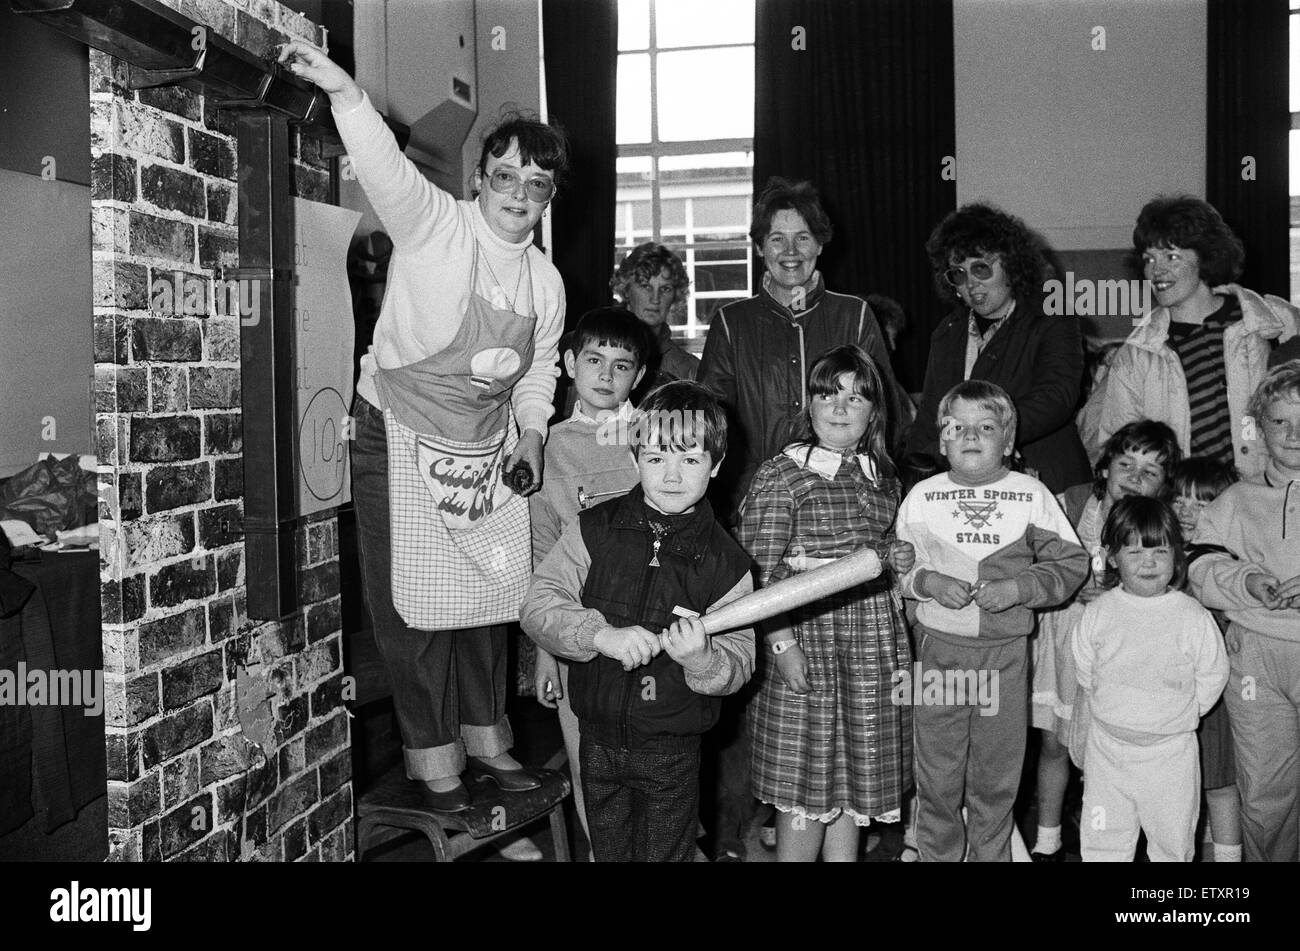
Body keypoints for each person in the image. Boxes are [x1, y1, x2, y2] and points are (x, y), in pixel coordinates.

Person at [280, 43, 567, 810]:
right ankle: (432, 759)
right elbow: (383, 162)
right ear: (480, 179)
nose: (518, 193)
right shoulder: (435, 224)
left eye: (536, 184)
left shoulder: (546, 278)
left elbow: (539, 372)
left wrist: (533, 432)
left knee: (490, 600)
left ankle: (489, 742)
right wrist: (343, 88)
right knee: (412, 606)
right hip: (397, 435)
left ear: (547, 198)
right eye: (504, 175)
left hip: (486, 448)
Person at [698, 176, 910, 861]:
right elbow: (713, 424)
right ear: (759, 246)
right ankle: (743, 835)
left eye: (803, 237)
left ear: (822, 244)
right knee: (770, 720)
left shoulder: (853, 315)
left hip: (852, 558)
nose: (790, 250)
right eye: (775, 237)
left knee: (848, 759)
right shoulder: (732, 321)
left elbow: (885, 410)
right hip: (768, 536)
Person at [520, 382, 756, 861]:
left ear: (716, 463)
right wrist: (598, 634)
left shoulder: (726, 563)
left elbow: (741, 662)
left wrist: (704, 659)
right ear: (634, 459)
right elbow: (538, 605)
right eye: (655, 458)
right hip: (597, 742)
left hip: (671, 751)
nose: (671, 476)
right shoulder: (593, 529)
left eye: (690, 460)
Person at [896, 380, 1088, 861]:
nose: (969, 435)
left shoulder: (1032, 495)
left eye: (985, 426)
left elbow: (1071, 565)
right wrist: (929, 584)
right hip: (937, 657)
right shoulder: (921, 496)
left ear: (1008, 440)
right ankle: (937, 855)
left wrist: (1019, 588)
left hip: (1005, 658)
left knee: (996, 778)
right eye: (955, 427)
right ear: (941, 441)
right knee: (936, 777)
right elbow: (897, 570)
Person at [736, 345, 914, 862]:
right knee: (806, 784)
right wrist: (781, 644)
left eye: (856, 397)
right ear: (808, 405)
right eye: (828, 393)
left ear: (874, 412)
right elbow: (760, 575)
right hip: (808, 638)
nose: (840, 406)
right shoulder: (783, 474)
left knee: (852, 784)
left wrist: (894, 554)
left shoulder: (884, 478)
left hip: (872, 648)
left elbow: (877, 550)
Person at [1029, 419, 1180, 861]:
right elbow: (1034, 559)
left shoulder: (1157, 524)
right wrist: (1068, 584)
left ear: (1163, 486)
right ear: (1106, 466)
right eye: (1126, 463)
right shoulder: (1070, 503)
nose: (1135, 477)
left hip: (1121, 646)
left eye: (1150, 471)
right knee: (1055, 741)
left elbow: (1166, 580)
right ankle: (1047, 840)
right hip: (1064, 633)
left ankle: (1113, 841)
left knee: (1109, 747)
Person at [527, 307, 648, 848]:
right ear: (571, 362)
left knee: (661, 772)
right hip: (582, 637)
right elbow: (541, 554)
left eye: (621, 365)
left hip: (655, 630)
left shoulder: (658, 437)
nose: (606, 375)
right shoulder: (547, 447)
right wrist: (546, 650)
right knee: (590, 771)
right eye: (594, 360)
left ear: (638, 376)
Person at [1080, 196, 1300, 480]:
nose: (1156, 270)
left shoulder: (1277, 322)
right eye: (1149, 259)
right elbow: (1114, 446)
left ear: (1205, 257)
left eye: (1171, 257)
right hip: (1187, 507)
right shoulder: (1137, 355)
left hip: (1270, 502)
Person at [1074, 497, 1229, 862]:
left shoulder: (1191, 615)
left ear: (1176, 557)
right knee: (1102, 840)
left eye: (1160, 552)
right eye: (1134, 552)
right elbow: (1085, 666)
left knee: (1172, 842)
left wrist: (1180, 713)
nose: (1149, 563)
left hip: (1170, 754)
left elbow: (1212, 673)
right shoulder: (1100, 611)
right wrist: (1112, 707)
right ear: (1112, 558)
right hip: (1108, 751)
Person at [1188, 361, 1300, 861]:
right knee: (1265, 792)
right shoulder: (1236, 498)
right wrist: (1246, 580)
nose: (1293, 433)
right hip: (1254, 656)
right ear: (1259, 426)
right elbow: (1198, 564)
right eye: (1279, 421)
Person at [903, 203, 1091, 494]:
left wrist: (986, 432)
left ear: (1010, 265)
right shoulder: (947, 333)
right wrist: (911, 475)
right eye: (959, 274)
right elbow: (931, 417)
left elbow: (1057, 397)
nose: (971, 283)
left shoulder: (1053, 317)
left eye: (981, 268)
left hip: (1046, 482)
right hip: (966, 485)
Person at [1170, 457, 1242, 863]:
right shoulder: (1166, 552)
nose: (1185, 510)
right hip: (1173, 689)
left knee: (1218, 781)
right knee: (1183, 785)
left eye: (1200, 503)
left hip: (1213, 691)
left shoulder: (1226, 558)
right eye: (1179, 499)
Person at [610, 242, 698, 395]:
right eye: (645, 286)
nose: (655, 299)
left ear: (675, 296)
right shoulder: (593, 350)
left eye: (665, 289)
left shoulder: (690, 370)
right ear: (626, 290)